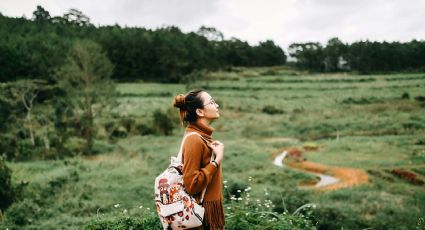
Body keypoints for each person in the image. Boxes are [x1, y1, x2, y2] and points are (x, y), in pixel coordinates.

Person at [173, 89, 225, 230]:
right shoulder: (194, 139)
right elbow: (192, 184)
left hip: (207, 213)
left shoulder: (202, 137)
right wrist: (216, 161)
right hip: (202, 218)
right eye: (212, 102)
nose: (217, 105)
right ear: (200, 112)